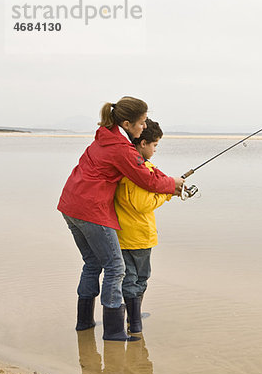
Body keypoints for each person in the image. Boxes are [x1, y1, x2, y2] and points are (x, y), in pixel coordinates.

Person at [58, 96, 185, 341]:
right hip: (89, 209)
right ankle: (114, 330)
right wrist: (172, 185)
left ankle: (84, 323)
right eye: (142, 122)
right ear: (127, 124)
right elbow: (146, 179)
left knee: (93, 264)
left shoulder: (105, 136)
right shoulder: (120, 148)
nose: (144, 127)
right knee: (116, 267)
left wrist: (166, 181)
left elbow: (143, 167)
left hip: (70, 205)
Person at [114, 119, 171, 334]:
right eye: (155, 145)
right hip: (137, 236)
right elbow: (142, 205)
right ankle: (135, 322)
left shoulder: (128, 166)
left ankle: (132, 318)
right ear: (143, 143)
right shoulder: (138, 171)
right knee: (138, 279)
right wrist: (166, 195)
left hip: (123, 233)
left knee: (130, 278)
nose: (155, 150)